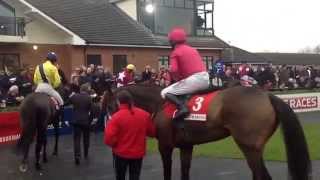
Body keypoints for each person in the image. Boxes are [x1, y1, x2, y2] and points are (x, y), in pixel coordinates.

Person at [160, 27, 210, 122]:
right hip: (206, 78)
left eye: (170, 41)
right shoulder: (193, 49)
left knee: (164, 92)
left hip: (194, 80)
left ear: (173, 41)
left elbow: (174, 70)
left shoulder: (175, 52)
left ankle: (182, 107)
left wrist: (176, 77)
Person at [104, 90, 156, 180]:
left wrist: (116, 145)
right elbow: (152, 133)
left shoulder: (115, 117)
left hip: (120, 154)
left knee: (120, 176)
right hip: (138, 154)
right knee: (135, 176)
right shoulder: (144, 114)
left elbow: (108, 139)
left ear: (118, 102)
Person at [70, 83, 94, 165]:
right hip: (85, 121)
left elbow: (67, 103)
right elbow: (92, 110)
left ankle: (77, 156)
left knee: (77, 139)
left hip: (76, 121)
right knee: (86, 138)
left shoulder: (74, 96)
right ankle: (86, 153)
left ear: (80, 89)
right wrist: (90, 120)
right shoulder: (89, 98)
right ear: (86, 89)